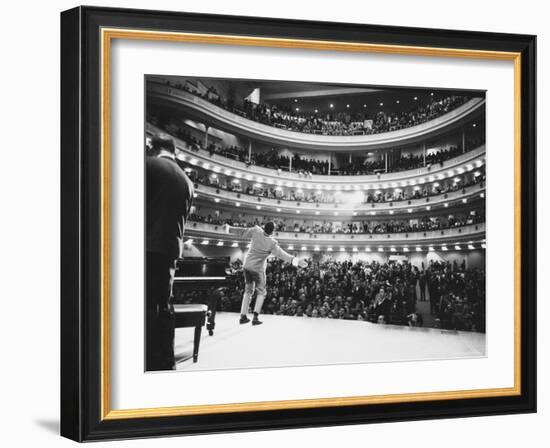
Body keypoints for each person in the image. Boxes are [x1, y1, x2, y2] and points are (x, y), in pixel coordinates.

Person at [146, 133, 194, 371]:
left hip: (145, 246)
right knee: (162, 307)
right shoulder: (187, 181)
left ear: (154, 148)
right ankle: (165, 361)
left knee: (143, 307)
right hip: (169, 250)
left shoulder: (149, 165)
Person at [223, 221, 307, 325]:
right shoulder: (272, 243)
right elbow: (283, 255)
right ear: (272, 231)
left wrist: (229, 228)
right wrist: (297, 261)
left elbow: (242, 231)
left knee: (248, 291)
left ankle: (243, 316)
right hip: (257, 269)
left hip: (247, 266)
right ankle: (255, 317)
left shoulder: (256, 230)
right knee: (261, 292)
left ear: (264, 227)